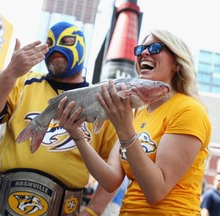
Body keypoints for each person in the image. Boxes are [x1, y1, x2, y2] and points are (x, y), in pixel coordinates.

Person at [0, 22, 118, 216]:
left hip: (63, 209)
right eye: (49, 42)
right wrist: (11, 72)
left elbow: (117, 169)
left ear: (81, 46)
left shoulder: (103, 98)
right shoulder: (24, 82)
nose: (56, 47)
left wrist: (93, 210)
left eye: (66, 41)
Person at [57, 29, 212, 215]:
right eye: (140, 49)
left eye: (155, 47)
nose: (145, 53)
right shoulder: (138, 112)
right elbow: (111, 180)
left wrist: (125, 130)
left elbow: (156, 191)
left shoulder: (188, 110)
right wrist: (77, 136)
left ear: (177, 64)